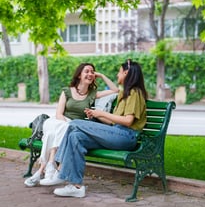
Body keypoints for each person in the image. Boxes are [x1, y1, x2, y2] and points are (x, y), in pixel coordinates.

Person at [41, 59, 148, 198]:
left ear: (126, 73)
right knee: (75, 137)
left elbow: (128, 121)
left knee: (75, 124)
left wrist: (101, 113)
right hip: (116, 133)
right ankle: (76, 186)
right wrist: (95, 117)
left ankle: (60, 170)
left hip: (127, 136)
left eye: (119, 72)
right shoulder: (125, 93)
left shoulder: (134, 92)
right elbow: (111, 122)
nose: (117, 75)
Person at [24, 62, 119, 187]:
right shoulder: (67, 91)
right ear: (79, 75)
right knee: (59, 128)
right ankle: (51, 164)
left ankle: (41, 170)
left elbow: (115, 90)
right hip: (59, 121)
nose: (90, 74)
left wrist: (101, 75)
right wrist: (65, 124)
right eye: (87, 71)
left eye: (92, 72)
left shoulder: (92, 94)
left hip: (74, 125)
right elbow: (59, 113)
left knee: (53, 134)